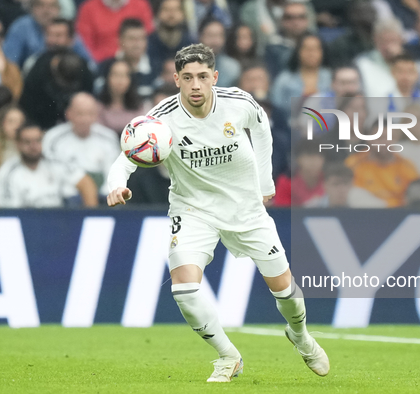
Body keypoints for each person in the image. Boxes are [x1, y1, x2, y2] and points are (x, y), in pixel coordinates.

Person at [105, 43, 329, 382]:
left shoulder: (239, 103)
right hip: (193, 208)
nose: (196, 85)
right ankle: (228, 356)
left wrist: (265, 180)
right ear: (176, 78)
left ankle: (300, 336)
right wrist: (116, 184)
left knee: (285, 292)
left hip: (245, 207)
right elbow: (125, 158)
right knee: (183, 289)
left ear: (215, 77)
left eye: (203, 77)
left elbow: (263, 129)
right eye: (188, 78)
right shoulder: (160, 120)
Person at [0, 123, 98, 207]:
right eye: (27, 142)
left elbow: (86, 183)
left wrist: (90, 214)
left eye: (37, 141)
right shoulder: (7, 173)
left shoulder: (55, 162)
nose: (33, 146)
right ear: (18, 144)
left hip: (60, 219)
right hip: (27, 221)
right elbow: (10, 212)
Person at [43, 92, 120, 197]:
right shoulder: (53, 138)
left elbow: (113, 173)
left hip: (104, 196)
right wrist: (86, 187)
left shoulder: (109, 137)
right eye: (80, 114)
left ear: (96, 115)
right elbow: (54, 171)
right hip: (65, 196)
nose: (85, 119)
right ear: (69, 113)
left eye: (90, 114)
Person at [345, 118, 420, 207]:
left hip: (398, 214)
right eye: (379, 138)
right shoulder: (354, 163)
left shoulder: (407, 166)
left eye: (388, 138)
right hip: (365, 214)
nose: (384, 143)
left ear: (396, 140)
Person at [19, 48, 94, 130]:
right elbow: (27, 104)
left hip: (74, 124)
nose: (65, 88)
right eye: (63, 83)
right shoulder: (38, 72)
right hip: (42, 121)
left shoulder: (85, 72)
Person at [2, 0, 89, 67]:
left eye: (52, 6)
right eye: (41, 6)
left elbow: (88, 62)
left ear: (59, 9)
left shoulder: (65, 27)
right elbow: (9, 63)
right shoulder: (20, 27)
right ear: (32, 8)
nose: (46, 11)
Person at [270, 33, 331, 115]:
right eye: (307, 49)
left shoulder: (331, 77)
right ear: (298, 51)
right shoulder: (284, 79)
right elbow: (276, 106)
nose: (311, 53)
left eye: (316, 49)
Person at [76, 0, 154, 63]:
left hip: (135, 60)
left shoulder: (141, 5)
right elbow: (85, 44)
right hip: (100, 63)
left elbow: (148, 36)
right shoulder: (88, 8)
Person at [97, 19, 156, 99]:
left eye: (141, 38)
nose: (137, 44)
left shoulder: (155, 67)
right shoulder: (106, 67)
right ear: (119, 40)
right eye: (131, 39)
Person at [97, 59, 149, 133]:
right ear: (107, 77)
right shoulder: (98, 106)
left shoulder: (139, 107)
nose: (120, 80)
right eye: (116, 75)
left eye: (124, 75)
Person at [264, 1, 312, 80]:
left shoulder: (317, 42)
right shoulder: (273, 45)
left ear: (307, 20)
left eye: (301, 17)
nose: (296, 22)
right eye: (289, 17)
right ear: (282, 20)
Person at [304, 162, 387, 208]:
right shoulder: (312, 208)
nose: (341, 189)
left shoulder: (362, 205)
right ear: (325, 186)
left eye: (346, 184)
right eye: (335, 184)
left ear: (352, 185)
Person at [148, 0, 192, 77]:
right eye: (166, 10)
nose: (171, 14)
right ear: (158, 13)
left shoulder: (190, 42)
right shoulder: (150, 41)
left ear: (183, 14)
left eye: (176, 10)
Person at [198, 19, 241, 88]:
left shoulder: (232, 69)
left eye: (219, 36)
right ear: (200, 37)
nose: (215, 42)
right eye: (210, 36)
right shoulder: (187, 66)